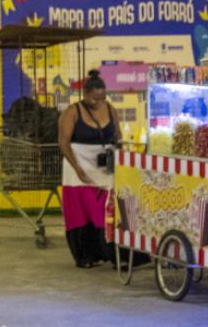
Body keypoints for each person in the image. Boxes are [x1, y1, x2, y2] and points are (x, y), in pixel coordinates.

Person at [58, 69, 119, 268]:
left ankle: (111, 252)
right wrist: (77, 169)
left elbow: (117, 136)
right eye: (95, 99)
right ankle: (85, 256)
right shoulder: (72, 112)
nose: (99, 102)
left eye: (102, 98)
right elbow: (64, 142)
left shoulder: (110, 109)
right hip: (77, 167)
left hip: (104, 168)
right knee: (81, 212)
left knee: (106, 209)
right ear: (85, 95)